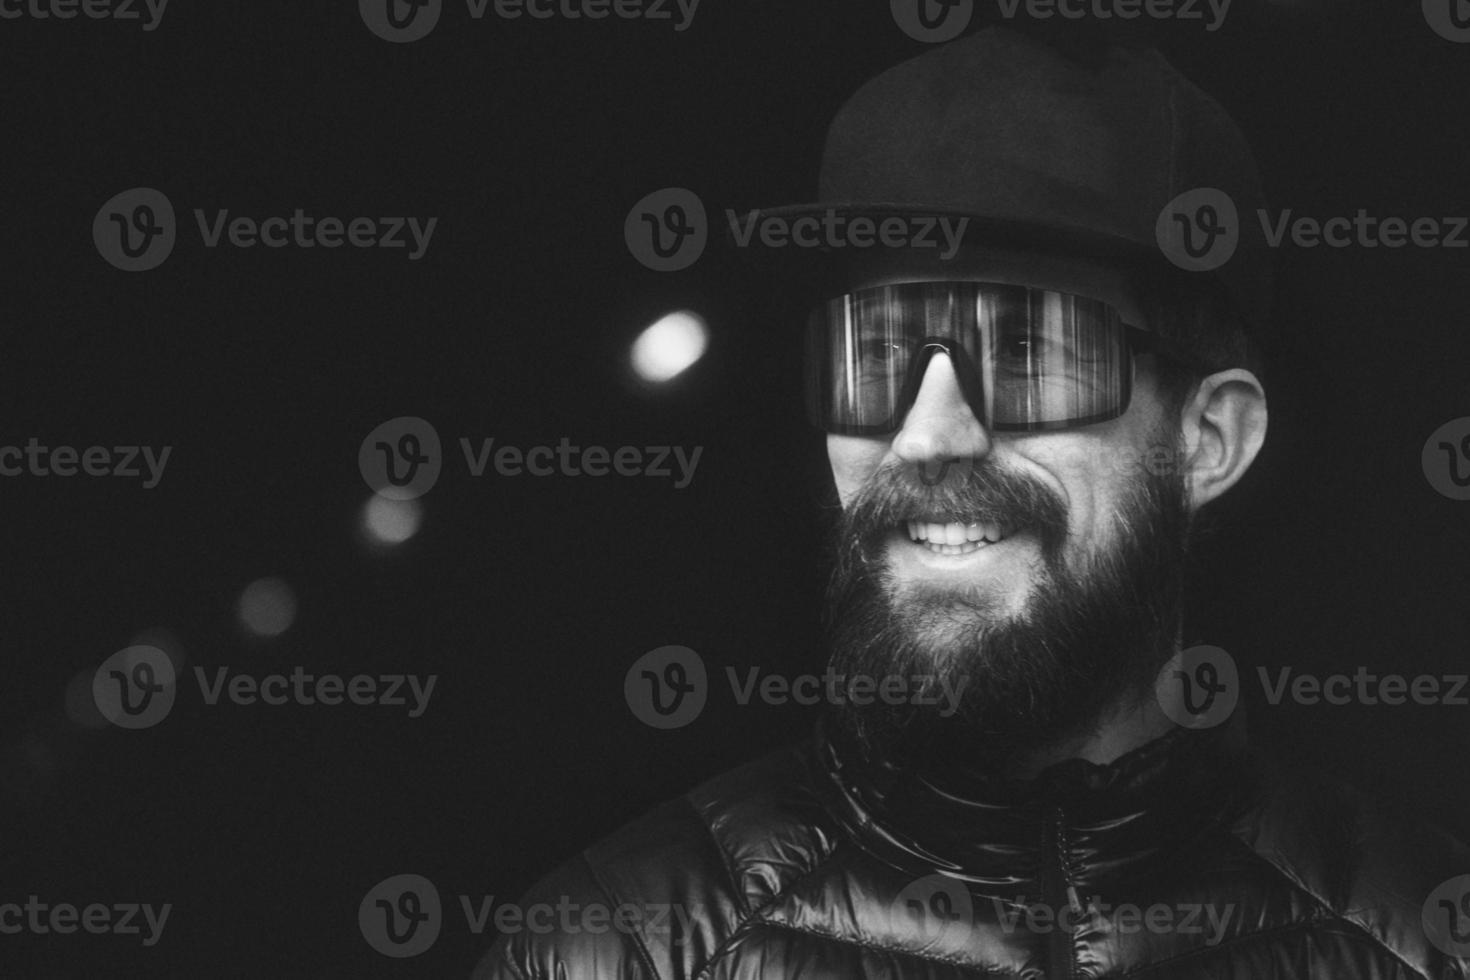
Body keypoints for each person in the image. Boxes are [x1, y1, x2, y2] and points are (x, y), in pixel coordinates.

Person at [475, 27, 1470, 979]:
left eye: (1029, 353)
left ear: (1208, 439)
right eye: (874, 356)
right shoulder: (609, 952)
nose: (928, 431)